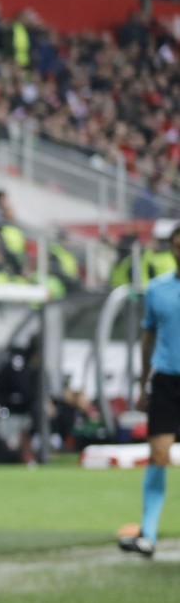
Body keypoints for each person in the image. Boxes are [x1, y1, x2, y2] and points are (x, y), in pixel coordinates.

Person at [120, 226, 180, 558]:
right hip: (167, 381)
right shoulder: (158, 290)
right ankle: (149, 534)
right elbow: (148, 338)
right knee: (158, 456)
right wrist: (143, 383)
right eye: (176, 246)